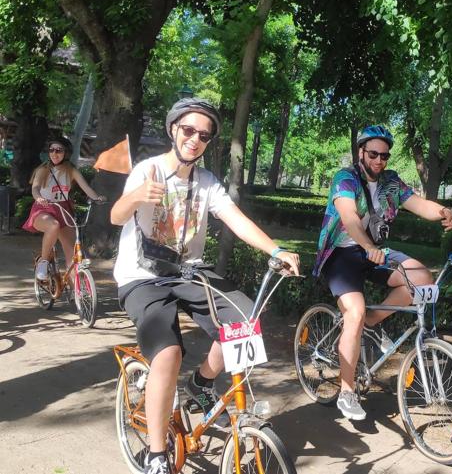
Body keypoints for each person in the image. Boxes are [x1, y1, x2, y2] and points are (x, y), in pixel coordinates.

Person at [111, 98, 300, 474]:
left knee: (245, 320)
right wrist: (135, 196)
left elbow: (236, 219)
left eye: (204, 135)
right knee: (167, 353)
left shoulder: (207, 183)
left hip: (188, 272)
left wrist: (277, 249)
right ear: (174, 129)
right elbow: (117, 216)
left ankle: (202, 382)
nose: (195, 139)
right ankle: (156, 453)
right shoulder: (148, 171)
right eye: (188, 130)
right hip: (142, 277)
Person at [313, 124, 452, 421]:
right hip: (341, 254)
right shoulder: (345, 178)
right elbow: (349, 218)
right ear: (361, 152)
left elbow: (420, 205)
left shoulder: (391, 182)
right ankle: (346, 391)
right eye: (373, 154)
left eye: (385, 156)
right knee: (352, 312)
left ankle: (371, 322)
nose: (379, 161)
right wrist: (368, 245)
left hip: (375, 252)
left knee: (421, 276)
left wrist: (444, 212)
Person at [22, 137, 105, 280]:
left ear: (66, 153)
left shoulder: (71, 170)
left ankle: (77, 291)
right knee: (53, 225)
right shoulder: (43, 169)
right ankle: (44, 261)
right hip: (44, 208)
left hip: (64, 210)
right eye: (51, 150)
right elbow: (35, 189)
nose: (54, 153)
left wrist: (97, 198)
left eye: (59, 150)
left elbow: (86, 188)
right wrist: (39, 198)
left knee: (73, 255)